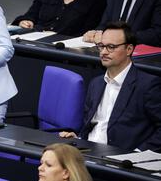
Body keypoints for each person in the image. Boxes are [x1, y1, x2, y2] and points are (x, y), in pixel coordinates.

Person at [61, 22, 161, 152]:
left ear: (129, 49)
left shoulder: (148, 85)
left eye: (111, 47)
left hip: (119, 158)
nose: (103, 52)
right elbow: (90, 125)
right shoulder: (96, 83)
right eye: (101, 46)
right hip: (87, 151)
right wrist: (79, 138)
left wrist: (139, 153)